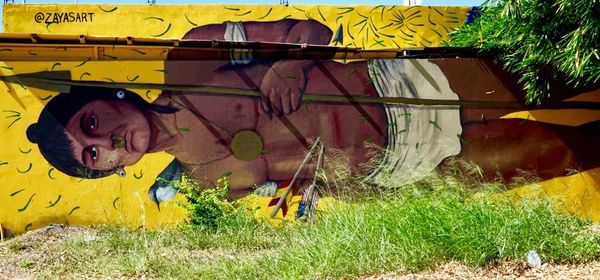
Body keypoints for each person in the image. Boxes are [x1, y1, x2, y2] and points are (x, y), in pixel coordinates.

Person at [26, 19, 597, 200]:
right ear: (111, 170)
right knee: (578, 151)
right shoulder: (202, 184)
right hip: (413, 168)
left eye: (90, 125)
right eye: (93, 157)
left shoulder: (193, 58)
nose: (108, 143)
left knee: (570, 67)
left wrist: (289, 62)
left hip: (414, 85)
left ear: (103, 98)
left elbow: (310, 28)